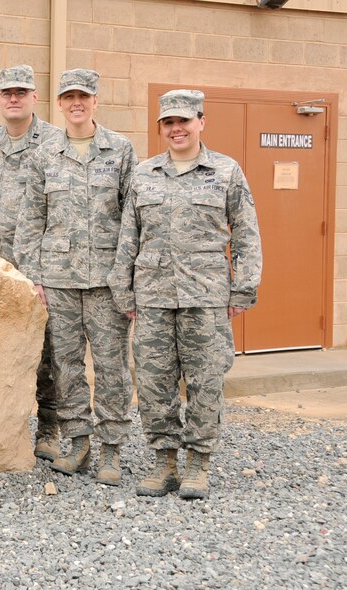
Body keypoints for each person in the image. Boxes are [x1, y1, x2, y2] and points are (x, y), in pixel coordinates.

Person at [108, 89, 262, 499]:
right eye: (168, 123)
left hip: (206, 297)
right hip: (153, 297)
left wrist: (244, 286)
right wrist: (122, 290)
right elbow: (129, 237)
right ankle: (164, 461)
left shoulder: (226, 172)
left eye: (184, 121)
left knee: (204, 382)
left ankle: (198, 462)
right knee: (156, 383)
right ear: (161, 127)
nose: (176, 129)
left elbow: (246, 232)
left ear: (200, 122)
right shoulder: (144, 174)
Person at [15, 69, 137, 486]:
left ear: (95, 101)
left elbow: (132, 222)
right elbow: (30, 221)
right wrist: (34, 279)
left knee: (111, 367)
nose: (76, 104)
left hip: (105, 283)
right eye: (68, 97)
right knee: (66, 366)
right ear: (60, 104)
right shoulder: (44, 155)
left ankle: (112, 451)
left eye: (83, 96)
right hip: (59, 281)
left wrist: (126, 278)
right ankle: (78, 443)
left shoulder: (120, 151)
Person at [0, 64, 65, 461]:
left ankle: (49, 428)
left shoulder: (55, 142)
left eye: (21, 92)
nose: (14, 98)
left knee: (48, 352)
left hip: (41, 266)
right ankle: (0, 427)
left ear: (34, 97)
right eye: (7, 93)